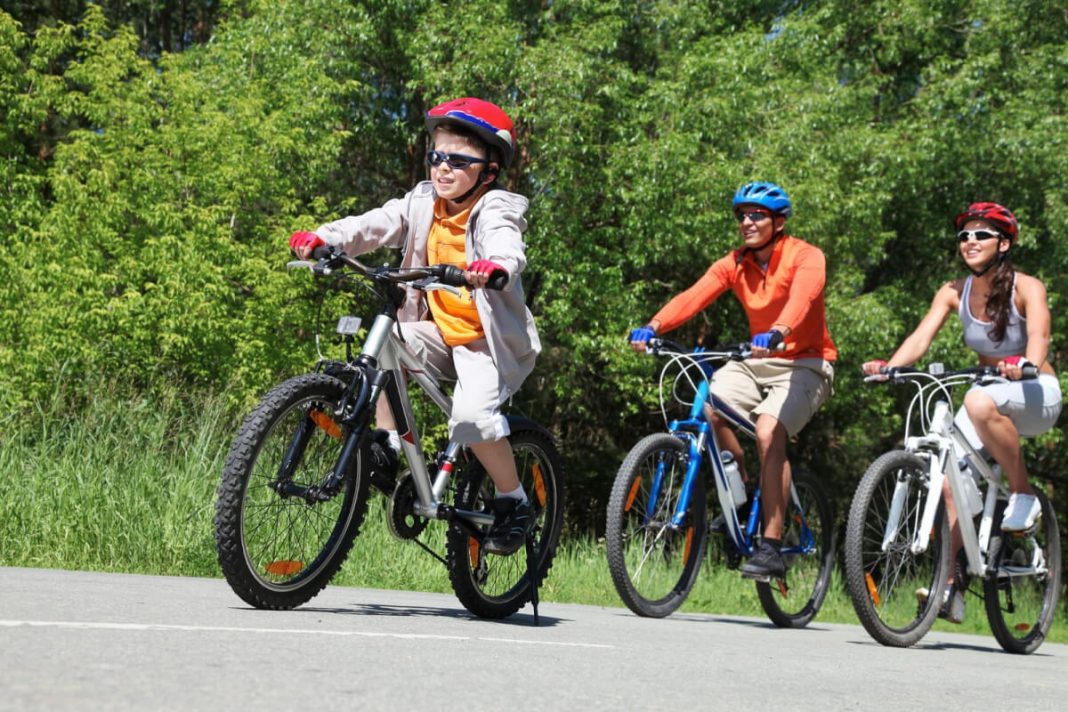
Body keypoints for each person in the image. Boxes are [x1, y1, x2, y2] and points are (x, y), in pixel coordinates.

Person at [288, 97, 541, 556]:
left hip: (487, 344)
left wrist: (496, 266)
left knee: (470, 419)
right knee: (385, 346)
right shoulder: (424, 201)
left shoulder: (494, 207)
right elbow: (376, 224)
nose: (443, 169)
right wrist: (326, 237)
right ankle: (385, 442)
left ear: (487, 172)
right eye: (437, 157)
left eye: (459, 161)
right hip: (438, 332)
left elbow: (507, 244)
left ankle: (514, 501)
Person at [862, 201, 1061, 622]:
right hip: (990, 392)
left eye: (981, 234)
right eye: (964, 235)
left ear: (1003, 243)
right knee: (949, 474)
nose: (969, 242)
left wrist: (1025, 361)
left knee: (974, 400)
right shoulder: (954, 291)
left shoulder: (1028, 287)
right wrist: (891, 366)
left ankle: (1023, 492)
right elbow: (921, 337)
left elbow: (1040, 333)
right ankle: (950, 586)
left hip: (1035, 391)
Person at [628, 181, 837, 580]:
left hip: (806, 363)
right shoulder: (735, 263)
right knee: (712, 405)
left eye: (756, 215)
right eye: (742, 215)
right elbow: (694, 295)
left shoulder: (805, 256)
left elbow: (804, 297)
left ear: (778, 221)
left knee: (767, 431)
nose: (746, 221)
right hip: (757, 360)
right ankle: (740, 499)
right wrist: (653, 326)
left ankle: (773, 545)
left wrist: (778, 330)